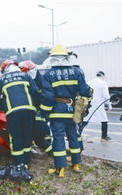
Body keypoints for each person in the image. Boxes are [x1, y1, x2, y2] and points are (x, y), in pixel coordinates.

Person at [40, 44, 92, 177]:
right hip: (73, 111)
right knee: (73, 136)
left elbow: (48, 97)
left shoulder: (48, 75)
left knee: (58, 138)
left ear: (52, 58)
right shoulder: (77, 72)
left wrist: (45, 112)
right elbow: (86, 91)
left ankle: (60, 168)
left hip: (57, 112)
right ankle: (76, 163)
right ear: (66, 57)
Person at [0, 59, 38, 181]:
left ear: (4, 69)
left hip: (13, 112)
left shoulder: (1, 80)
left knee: (15, 137)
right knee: (27, 134)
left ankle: (19, 163)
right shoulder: (25, 76)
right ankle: (27, 160)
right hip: (29, 110)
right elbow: (34, 91)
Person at [19, 60, 53, 154]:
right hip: (34, 108)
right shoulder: (28, 78)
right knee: (38, 127)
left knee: (41, 127)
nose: (33, 70)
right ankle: (44, 146)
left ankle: (46, 145)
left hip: (38, 108)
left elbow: (42, 93)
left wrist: (43, 109)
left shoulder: (39, 78)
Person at [81, 71, 112, 142]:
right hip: (99, 105)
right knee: (104, 120)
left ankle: (78, 134)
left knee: (86, 119)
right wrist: (109, 105)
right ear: (103, 76)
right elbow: (106, 96)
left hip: (89, 103)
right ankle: (104, 137)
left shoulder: (89, 82)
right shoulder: (103, 83)